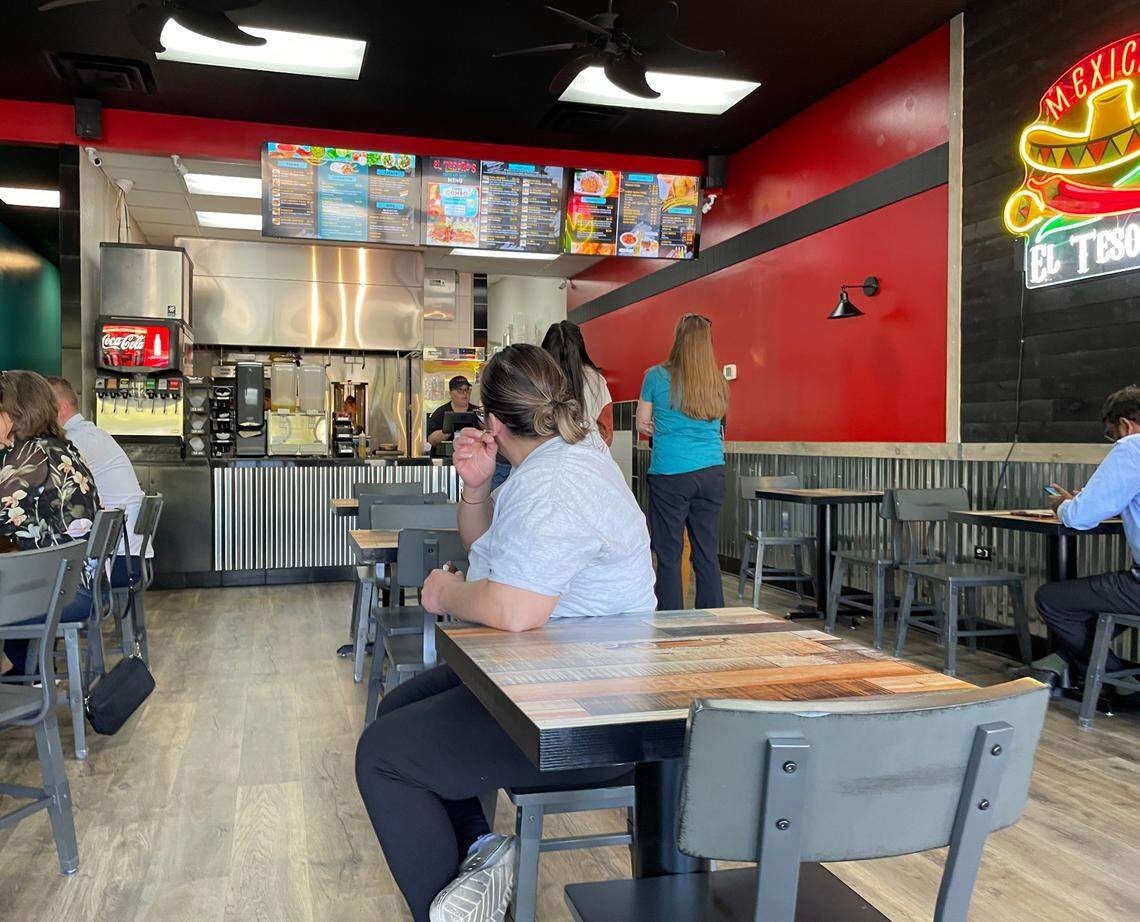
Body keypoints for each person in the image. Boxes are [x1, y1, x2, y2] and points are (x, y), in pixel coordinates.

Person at [355, 344, 655, 922]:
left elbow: (516, 609)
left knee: (383, 757)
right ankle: (481, 856)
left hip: (587, 711)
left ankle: (451, 907)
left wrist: (443, 594)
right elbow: (490, 552)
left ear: (492, 421)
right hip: (561, 676)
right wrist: (475, 488)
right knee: (396, 709)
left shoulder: (556, 482)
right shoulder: (558, 462)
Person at [1031, 384, 1140, 707]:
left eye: (1112, 435)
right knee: (1101, 603)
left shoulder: (1132, 447)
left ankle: (1118, 679)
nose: (1115, 441)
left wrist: (1061, 506)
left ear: (1126, 425)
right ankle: (1070, 666)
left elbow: (1079, 518)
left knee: (1053, 599)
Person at [0, 370, 99, 676]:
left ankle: (18, 678)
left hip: (53, 594)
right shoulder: (64, 449)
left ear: (14, 413)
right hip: (76, 586)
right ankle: (22, 680)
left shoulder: (21, 461)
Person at [636, 313, 728, 612]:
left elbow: (642, 424)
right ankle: (712, 618)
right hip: (712, 473)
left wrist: (660, 426)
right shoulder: (718, 382)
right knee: (706, 552)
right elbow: (720, 426)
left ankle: (670, 620)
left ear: (678, 339)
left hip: (671, 475)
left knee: (669, 553)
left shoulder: (655, 376)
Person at [47, 376, 150, 590]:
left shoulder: (73, 443)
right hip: (132, 555)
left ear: (60, 408)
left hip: (118, 561)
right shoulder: (93, 433)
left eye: (43, 406)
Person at [541, 320, 614, 447]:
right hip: (589, 458)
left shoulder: (538, 381)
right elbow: (607, 433)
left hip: (547, 457)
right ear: (579, 348)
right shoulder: (596, 380)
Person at [426, 375, 479, 448]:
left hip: (473, 456)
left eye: (467, 389)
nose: (465, 393)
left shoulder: (477, 412)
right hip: (446, 457)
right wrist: (449, 429)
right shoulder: (440, 412)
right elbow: (431, 440)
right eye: (460, 390)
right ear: (450, 393)